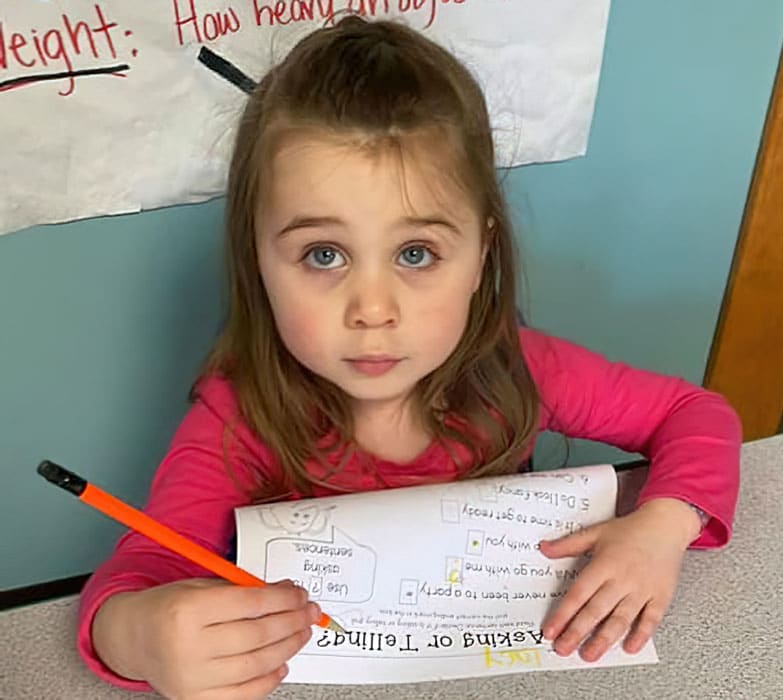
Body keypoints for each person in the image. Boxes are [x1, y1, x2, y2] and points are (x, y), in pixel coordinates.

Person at [78, 15, 741, 699]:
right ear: (259, 259)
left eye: (415, 254)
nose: (373, 309)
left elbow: (695, 413)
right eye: (323, 255)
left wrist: (662, 527)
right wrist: (148, 638)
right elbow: (135, 580)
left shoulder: (519, 368)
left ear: (481, 254)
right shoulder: (238, 416)